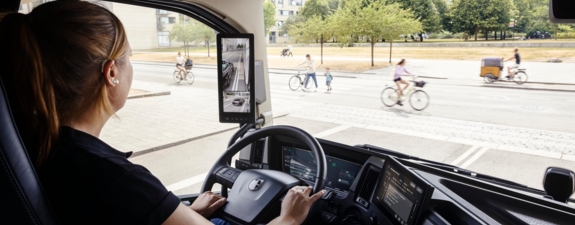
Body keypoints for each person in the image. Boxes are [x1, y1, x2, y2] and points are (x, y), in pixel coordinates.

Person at [0, 1, 323, 225]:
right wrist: (290, 217)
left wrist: (178, 212)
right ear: (111, 72)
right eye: (128, 58)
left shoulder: (38, 145)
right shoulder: (112, 176)